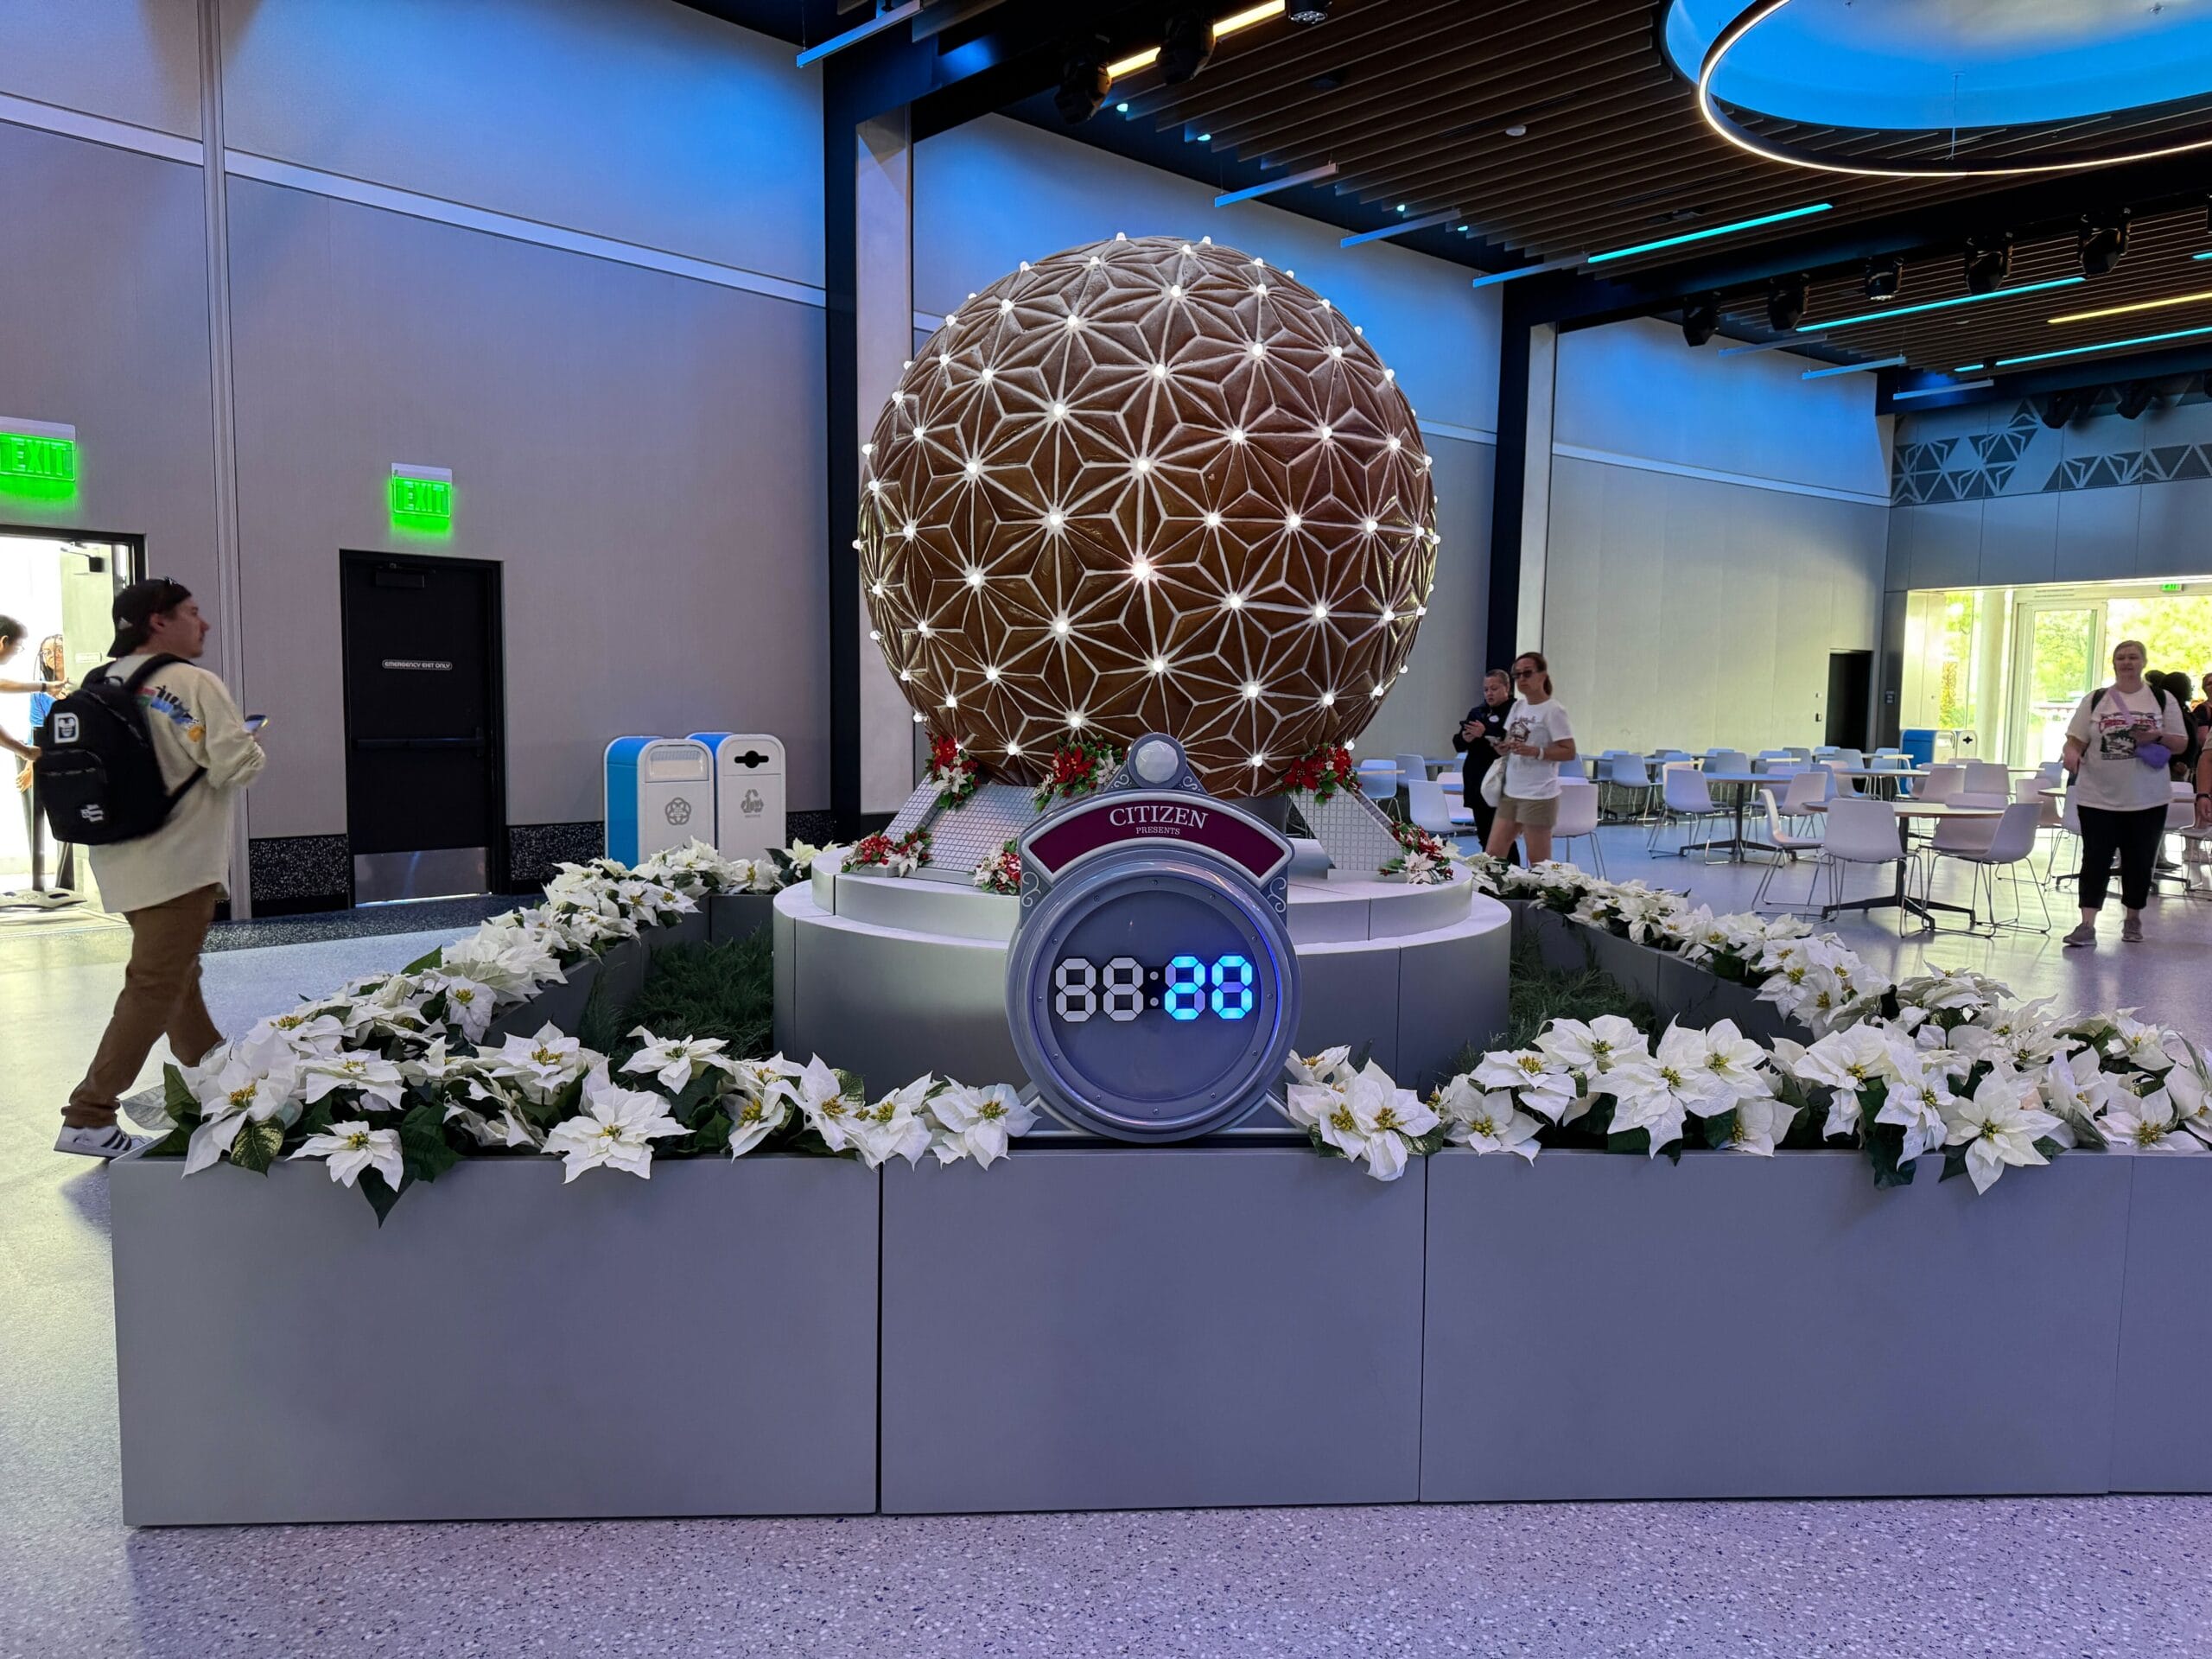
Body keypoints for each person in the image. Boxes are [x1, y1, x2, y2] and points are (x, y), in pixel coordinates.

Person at [57, 580, 266, 1157]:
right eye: (193, 613)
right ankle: (88, 1116)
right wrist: (252, 742)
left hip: (120, 860)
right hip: (179, 863)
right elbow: (233, 767)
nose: (204, 625)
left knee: (175, 978)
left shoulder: (103, 682)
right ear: (158, 621)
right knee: (154, 984)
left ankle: (216, 1086)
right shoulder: (193, 683)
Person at [2059, 638, 2190, 948]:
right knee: (2095, 859)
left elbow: (2181, 744)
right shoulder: (2096, 700)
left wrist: (2156, 734)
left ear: (2143, 662)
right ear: (2114, 664)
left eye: (2133, 657)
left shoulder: (2161, 699)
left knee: (2139, 860)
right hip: (2097, 796)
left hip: (2147, 798)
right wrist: (2070, 753)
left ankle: (2133, 916)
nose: (2127, 663)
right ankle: (2087, 924)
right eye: (2121, 658)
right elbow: (2076, 739)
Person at [1486, 651, 1577, 867]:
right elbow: (1510, 740)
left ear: (1542, 675)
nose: (1522, 680)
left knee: (1539, 862)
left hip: (1538, 793)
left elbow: (1569, 751)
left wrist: (1537, 751)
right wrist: (1503, 747)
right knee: (1492, 855)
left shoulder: (1553, 711)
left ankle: (1542, 898)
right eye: (1517, 675)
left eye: (1527, 674)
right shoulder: (1518, 706)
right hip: (1512, 790)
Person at [23, 633, 76, 896]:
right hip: (33, 751)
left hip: (66, 755)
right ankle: (38, 882)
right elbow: (36, 728)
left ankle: (66, 883)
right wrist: (30, 764)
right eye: (46, 652)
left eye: (58, 650)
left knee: (68, 815)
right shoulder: (40, 689)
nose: (52, 656)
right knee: (35, 814)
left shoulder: (82, 684)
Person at [1452, 669, 1513, 854]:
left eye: (1494, 688)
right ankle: (1490, 873)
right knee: (1484, 834)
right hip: (1476, 779)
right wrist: (1466, 738)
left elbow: (1509, 742)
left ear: (1507, 688)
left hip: (1501, 780)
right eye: (1486, 689)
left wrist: (1485, 733)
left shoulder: (1515, 711)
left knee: (1502, 837)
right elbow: (1458, 743)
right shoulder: (1477, 712)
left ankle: (1511, 874)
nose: (1489, 693)